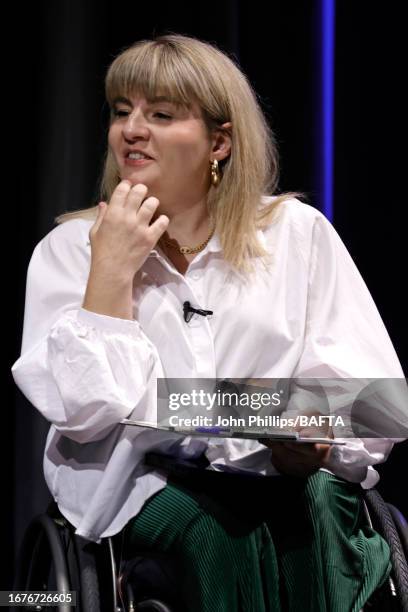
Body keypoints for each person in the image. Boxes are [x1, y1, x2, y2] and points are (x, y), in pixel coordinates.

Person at [12, 34, 406, 611]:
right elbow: (86, 413)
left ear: (219, 142)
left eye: (161, 114)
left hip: (282, 479)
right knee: (216, 529)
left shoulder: (296, 234)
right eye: (122, 111)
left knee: (321, 517)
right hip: (144, 488)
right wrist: (111, 273)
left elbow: (375, 407)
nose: (132, 129)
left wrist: (316, 445)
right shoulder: (71, 250)